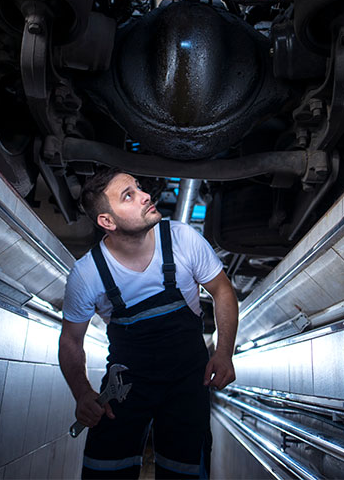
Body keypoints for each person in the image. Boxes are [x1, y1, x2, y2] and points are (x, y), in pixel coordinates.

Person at [59, 167, 238, 479]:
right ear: (107, 221)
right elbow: (70, 341)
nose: (145, 196)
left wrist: (224, 353)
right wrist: (82, 392)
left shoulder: (182, 239)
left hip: (188, 383)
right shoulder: (87, 274)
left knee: (185, 472)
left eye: (139, 187)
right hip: (125, 390)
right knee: (105, 471)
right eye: (128, 196)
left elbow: (222, 290)